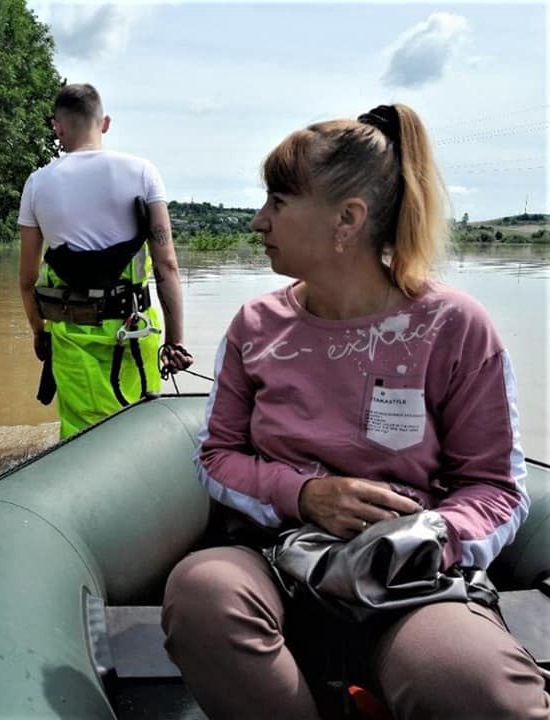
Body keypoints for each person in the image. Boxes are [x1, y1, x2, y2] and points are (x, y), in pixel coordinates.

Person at [161, 104, 549, 719]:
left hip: (412, 575)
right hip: (274, 553)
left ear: (348, 218)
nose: (259, 221)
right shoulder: (256, 326)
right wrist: (307, 495)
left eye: (279, 201)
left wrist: (416, 541)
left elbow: (496, 488)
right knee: (203, 592)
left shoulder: (454, 327)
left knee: (469, 683)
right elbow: (217, 456)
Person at [18, 83, 192, 438]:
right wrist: (175, 342)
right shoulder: (143, 172)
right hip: (135, 328)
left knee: (80, 436)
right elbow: (167, 266)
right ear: (106, 123)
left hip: (69, 335)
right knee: (138, 431)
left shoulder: (37, 184)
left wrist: (40, 333)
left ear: (58, 127)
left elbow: (26, 279)